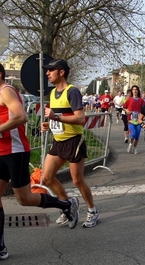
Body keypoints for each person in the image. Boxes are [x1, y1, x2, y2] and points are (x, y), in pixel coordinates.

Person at [0, 61, 79, 264]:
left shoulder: (6, 91)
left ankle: (66, 203)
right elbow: (8, 121)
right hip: (3, 152)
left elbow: (21, 117)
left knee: (25, 199)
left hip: (16, 153)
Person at [40, 59, 100, 228]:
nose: (47, 73)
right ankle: (68, 207)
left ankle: (92, 210)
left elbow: (80, 119)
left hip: (74, 141)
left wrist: (55, 117)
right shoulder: (52, 93)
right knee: (47, 177)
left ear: (61, 72)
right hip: (58, 141)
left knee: (77, 180)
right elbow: (59, 117)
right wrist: (49, 124)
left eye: (51, 70)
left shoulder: (72, 91)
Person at [122, 85, 145, 154]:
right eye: (133, 89)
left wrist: (143, 115)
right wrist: (127, 111)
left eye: (136, 89)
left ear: (138, 91)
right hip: (130, 120)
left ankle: (135, 148)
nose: (135, 91)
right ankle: (130, 145)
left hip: (138, 121)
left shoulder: (141, 100)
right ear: (132, 91)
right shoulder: (129, 99)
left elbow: (144, 108)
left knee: (137, 137)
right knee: (133, 134)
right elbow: (124, 107)